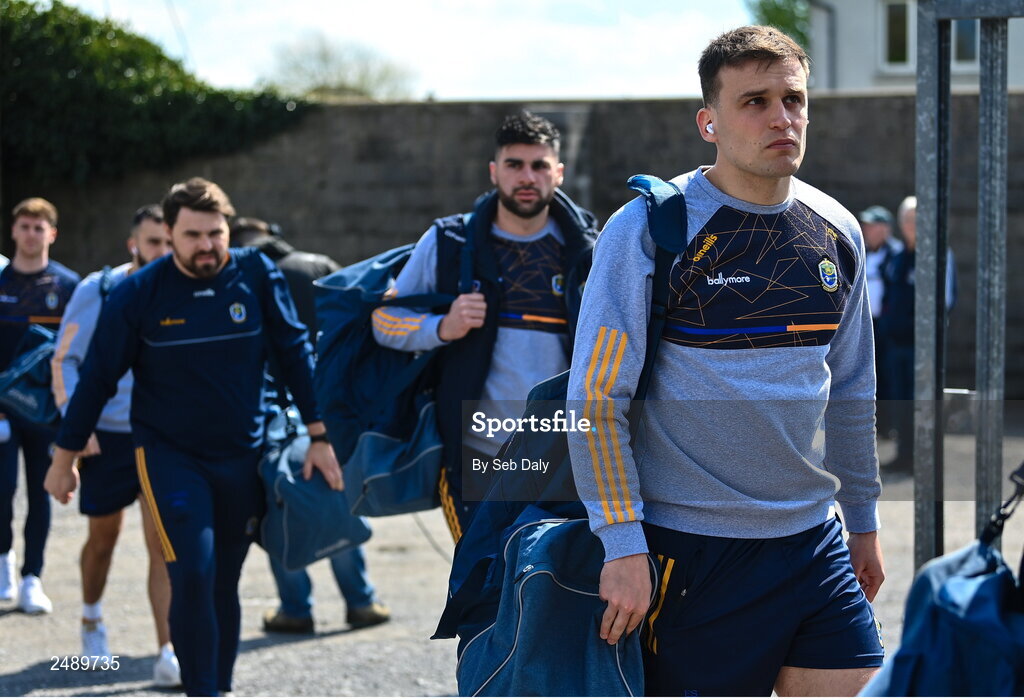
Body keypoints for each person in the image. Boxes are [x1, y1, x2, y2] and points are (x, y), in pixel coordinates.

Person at [567, 26, 885, 696]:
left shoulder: (838, 230)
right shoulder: (651, 230)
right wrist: (622, 544)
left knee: (849, 671)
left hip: (811, 536)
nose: (782, 118)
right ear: (708, 121)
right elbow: (595, 401)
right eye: (755, 101)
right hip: (694, 547)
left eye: (793, 100)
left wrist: (862, 522)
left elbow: (853, 390)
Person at [44, 178, 342, 697]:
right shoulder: (140, 292)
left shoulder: (255, 273)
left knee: (224, 582)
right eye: (192, 235)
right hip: (168, 456)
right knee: (193, 573)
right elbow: (97, 377)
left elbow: (295, 353)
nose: (207, 245)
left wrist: (320, 434)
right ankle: (201, 690)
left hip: (243, 455)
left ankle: (217, 688)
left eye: (215, 233)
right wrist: (64, 456)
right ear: (170, 233)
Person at [372, 110, 597, 540]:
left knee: (548, 591)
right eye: (514, 165)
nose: (526, 176)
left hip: (561, 456)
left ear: (559, 173)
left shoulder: (591, 250)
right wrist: (443, 326)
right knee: (479, 593)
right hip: (477, 453)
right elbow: (385, 320)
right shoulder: (449, 242)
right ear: (494, 172)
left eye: (539, 165)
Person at [230, 217, 391, 633]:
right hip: (331, 401)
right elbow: (353, 320)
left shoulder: (240, 278)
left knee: (282, 495)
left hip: (274, 406)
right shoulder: (318, 265)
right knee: (334, 488)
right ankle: (362, 601)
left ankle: (296, 608)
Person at [50, 204, 180, 685]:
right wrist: (75, 427)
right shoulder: (97, 289)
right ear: (133, 245)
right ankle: (90, 617)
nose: (162, 253)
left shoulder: (181, 291)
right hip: (105, 437)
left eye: (168, 244)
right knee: (103, 540)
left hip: (160, 437)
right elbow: (65, 359)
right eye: (153, 244)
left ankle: (167, 650)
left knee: (161, 544)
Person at [0, 197, 80, 614]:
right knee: (1, 490)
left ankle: (34, 576)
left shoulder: (68, 287)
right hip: (2, 411)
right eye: (24, 226)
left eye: (39, 227)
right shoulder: (0, 282)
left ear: (52, 234)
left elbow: (79, 354)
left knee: (41, 491)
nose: (31, 234)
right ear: (13, 231)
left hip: (47, 414)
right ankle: (4, 565)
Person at [878, 195, 956, 473]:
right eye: (907, 220)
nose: (911, 226)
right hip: (895, 343)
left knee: (923, 402)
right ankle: (904, 455)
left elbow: (944, 300)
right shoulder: (897, 258)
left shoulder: (938, 255)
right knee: (899, 400)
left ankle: (925, 460)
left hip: (922, 345)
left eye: (916, 220)